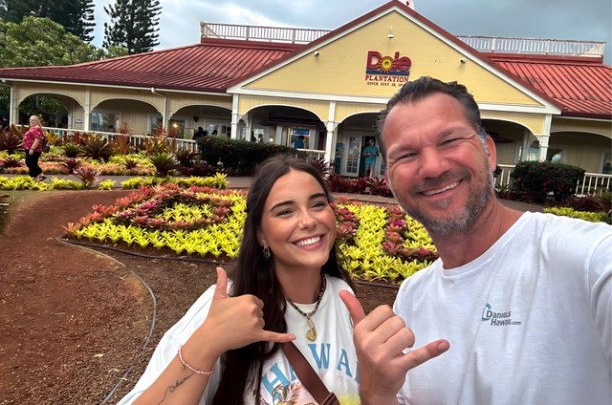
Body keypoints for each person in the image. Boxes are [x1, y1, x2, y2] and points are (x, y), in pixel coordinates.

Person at [340, 76, 611, 404]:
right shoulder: (413, 296)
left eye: (449, 140)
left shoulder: (588, 259)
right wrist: (375, 392)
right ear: (390, 180)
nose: (432, 167)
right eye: (407, 155)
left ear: (488, 152)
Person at [119, 156, 359, 404]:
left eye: (318, 204)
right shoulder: (229, 304)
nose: (308, 221)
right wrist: (208, 342)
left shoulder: (344, 298)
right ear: (260, 234)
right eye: (286, 211)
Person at [22, 115, 46, 182]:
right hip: (29, 149)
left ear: (37, 121)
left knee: (29, 163)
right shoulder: (33, 128)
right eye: (30, 120)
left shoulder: (37, 129)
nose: (31, 121)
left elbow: (37, 140)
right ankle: (36, 178)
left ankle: (40, 174)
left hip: (34, 150)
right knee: (32, 163)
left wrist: (32, 149)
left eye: (33, 120)